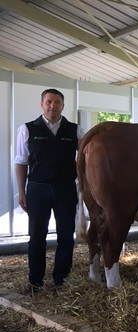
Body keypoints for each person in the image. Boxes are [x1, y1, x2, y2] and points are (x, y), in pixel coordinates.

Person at [15, 88, 86, 294]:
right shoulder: (27, 129)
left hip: (65, 189)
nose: (52, 106)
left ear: (63, 106)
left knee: (66, 235)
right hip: (37, 189)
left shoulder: (75, 130)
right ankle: (35, 282)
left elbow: (83, 162)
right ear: (42, 104)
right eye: (48, 102)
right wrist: (22, 191)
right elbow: (21, 162)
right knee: (37, 237)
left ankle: (61, 281)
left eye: (57, 102)